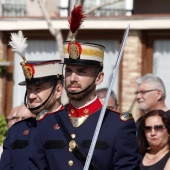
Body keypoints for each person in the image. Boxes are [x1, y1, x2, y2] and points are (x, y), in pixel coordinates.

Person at [28, 5, 141, 170]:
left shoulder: (118, 125)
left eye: (81, 72)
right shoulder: (47, 122)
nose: (72, 78)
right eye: (68, 71)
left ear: (99, 78)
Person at [0, 31, 63, 169]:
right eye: (29, 89)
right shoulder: (17, 131)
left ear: (58, 91)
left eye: (38, 89)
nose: (32, 95)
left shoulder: (72, 125)